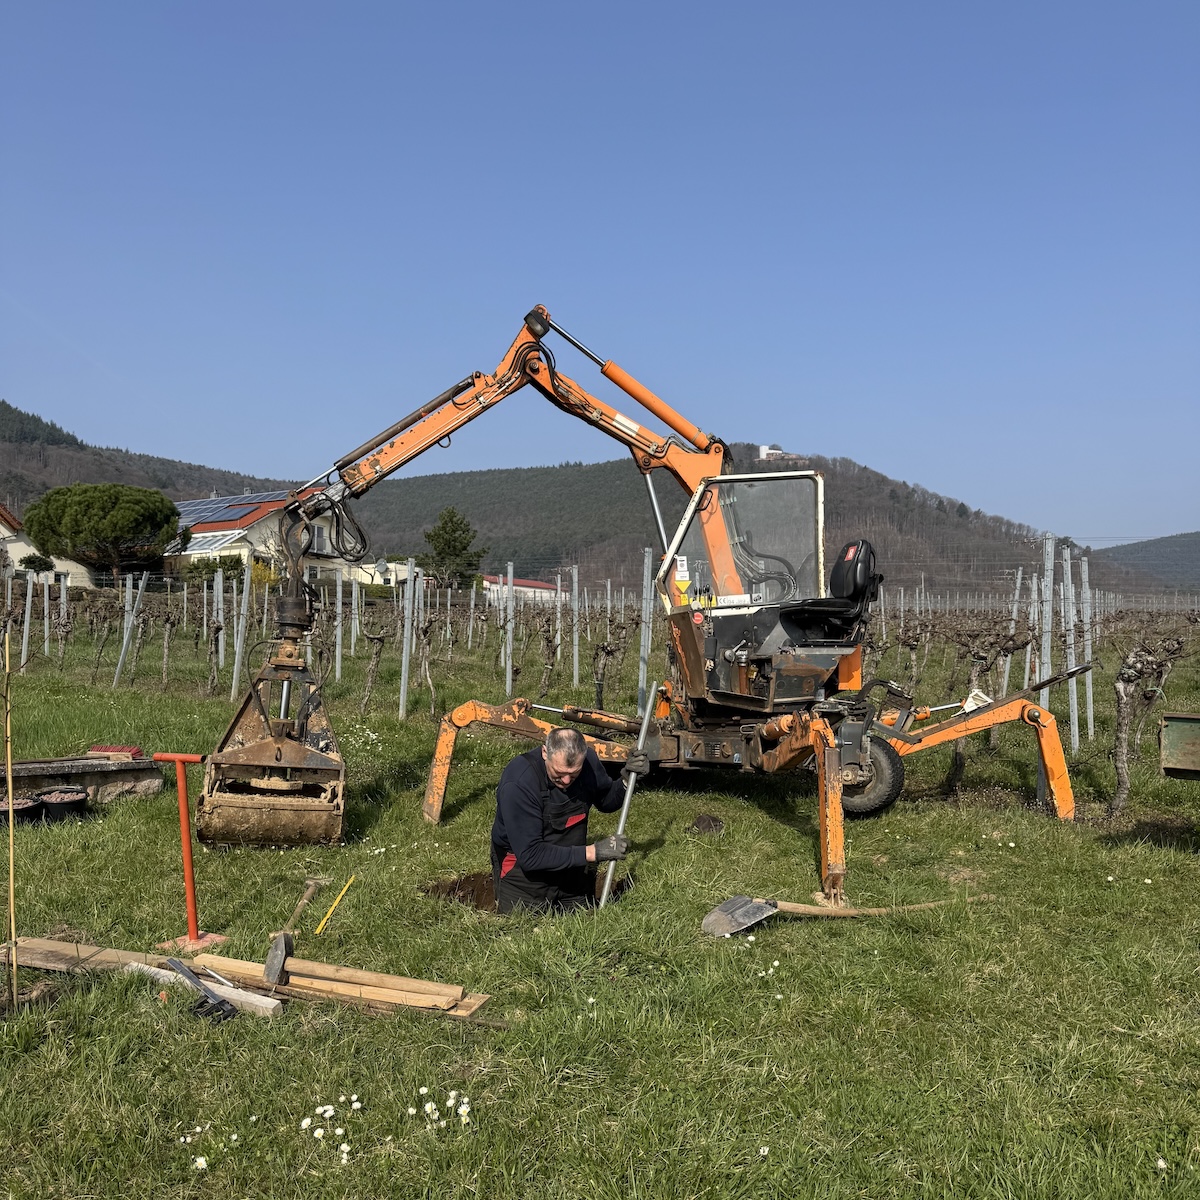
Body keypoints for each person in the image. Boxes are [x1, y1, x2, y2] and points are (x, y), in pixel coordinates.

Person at [490, 727, 650, 914]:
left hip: (571, 873)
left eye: (574, 774)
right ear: (544, 753)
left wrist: (627, 780)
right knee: (524, 934)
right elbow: (530, 855)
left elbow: (607, 801)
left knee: (582, 933)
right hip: (524, 879)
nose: (566, 781)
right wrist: (593, 853)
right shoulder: (520, 781)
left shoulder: (588, 762)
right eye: (559, 773)